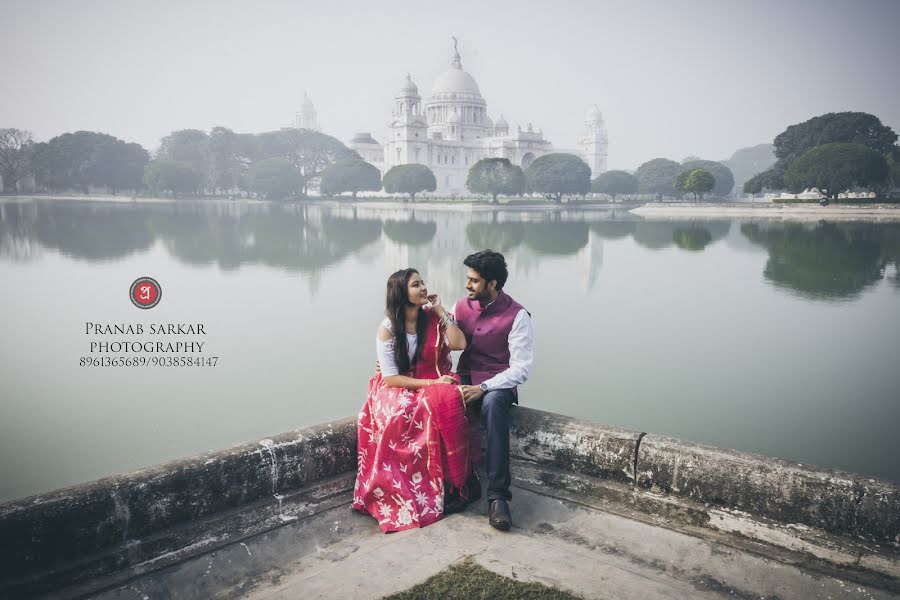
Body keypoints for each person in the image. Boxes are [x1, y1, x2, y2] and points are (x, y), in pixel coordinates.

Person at [352, 268, 479, 533]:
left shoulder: (431, 318)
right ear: (401, 293)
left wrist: (441, 311)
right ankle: (408, 487)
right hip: (397, 386)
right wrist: (431, 383)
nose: (423, 288)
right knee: (406, 410)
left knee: (443, 401)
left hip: (429, 380)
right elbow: (390, 379)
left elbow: (459, 344)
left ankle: (453, 482)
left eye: (422, 283)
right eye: (416, 285)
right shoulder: (387, 329)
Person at [453, 250, 534, 532]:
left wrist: (483, 387)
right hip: (464, 376)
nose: (467, 285)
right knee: (437, 400)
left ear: (493, 284)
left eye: (474, 281)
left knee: (492, 405)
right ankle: (456, 487)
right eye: (467, 279)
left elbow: (521, 370)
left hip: (497, 383)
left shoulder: (518, 315)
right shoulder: (460, 307)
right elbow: (433, 339)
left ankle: (498, 498)